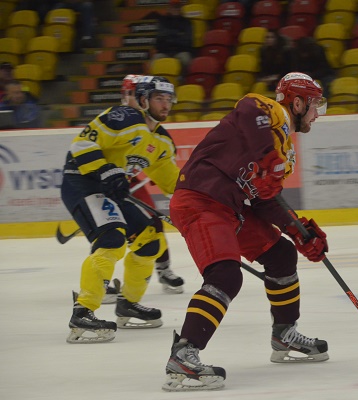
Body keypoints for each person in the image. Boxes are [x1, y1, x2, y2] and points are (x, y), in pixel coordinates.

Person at [162, 72, 329, 391]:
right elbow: (249, 108)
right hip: (201, 200)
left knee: (282, 255)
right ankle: (183, 355)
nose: (317, 114)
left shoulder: (284, 150)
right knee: (225, 275)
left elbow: (265, 199)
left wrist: (298, 230)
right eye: (314, 105)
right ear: (297, 103)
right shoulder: (269, 111)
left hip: (230, 208)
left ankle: (284, 334)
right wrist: (266, 157)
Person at [61, 76, 179, 344]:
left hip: (112, 189)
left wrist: (195, 206)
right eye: (159, 98)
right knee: (111, 239)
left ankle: (127, 304)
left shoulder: (162, 141)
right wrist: (105, 169)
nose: (165, 105)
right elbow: (81, 144)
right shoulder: (123, 117)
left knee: (150, 240)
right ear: (143, 100)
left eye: (168, 99)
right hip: (82, 181)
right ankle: (82, 312)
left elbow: (172, 181)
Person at [120, 75, 185, 295]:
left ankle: (163, 269)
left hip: (128, 182)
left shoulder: (158, 134)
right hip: (100, 183)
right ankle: (103, 282)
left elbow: (166, 173)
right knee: (110, 232)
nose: (133, 99)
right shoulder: (117, 120)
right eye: (129, 94)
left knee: (153, 222)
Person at [153, 0, 193, 76]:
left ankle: (182, 79)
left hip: (180, 51)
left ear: (181, 9)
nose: (176, 9)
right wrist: (177, 35)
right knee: (154, 61)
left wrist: (169, 37)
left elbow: (188, 41)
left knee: (186, 59)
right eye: (174, 7)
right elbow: (159, 40)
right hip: (164, 51)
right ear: (169, 8)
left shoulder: (186, 22)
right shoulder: (162, 21)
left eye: (178, 7)